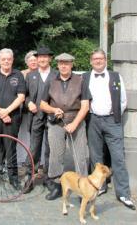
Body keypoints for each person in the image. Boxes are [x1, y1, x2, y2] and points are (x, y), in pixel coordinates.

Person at [84, 49, 135, 210]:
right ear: (91, 61)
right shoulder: (84, 77)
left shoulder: (115, 77)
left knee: (118, 157)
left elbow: (123, 100)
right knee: (95, 156)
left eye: (100, 58)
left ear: (106, 60)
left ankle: (123, 193)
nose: (98, 61)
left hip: (112, 121)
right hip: (93, 120)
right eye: (95, 59)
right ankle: (100, 186)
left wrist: (113, 115)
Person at [40, 53, 90, 201]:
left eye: (67, 63)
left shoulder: (80, 80)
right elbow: (42, 104)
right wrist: (53, 110)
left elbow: (85, 106)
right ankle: (57, 186)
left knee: (80, 156)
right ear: (57, 65)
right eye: (61, 63)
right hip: (56, 122)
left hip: (76, 121)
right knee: (56, 155)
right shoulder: (51, 81)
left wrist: (75, 124)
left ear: (72, 65)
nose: (63, 65)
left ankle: (83, 188)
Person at [0, 48, 26, 191]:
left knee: (10, 147)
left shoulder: (18, 75)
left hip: (12, 117)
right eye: (3, 59)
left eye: (9, 59)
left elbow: (21, 96)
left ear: (12, 60)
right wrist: (0, 112)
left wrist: (7, 111)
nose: (6, 61)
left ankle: (13, 178)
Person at [23, 47, 56, 193]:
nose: (42, 59)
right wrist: (28, 102)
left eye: (45, 57)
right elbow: (25, 94)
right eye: (39, 57)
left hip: (52, 118)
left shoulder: (56, 75)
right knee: (34, 148)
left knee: (50, 149)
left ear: (50, 58)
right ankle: (30, 177)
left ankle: (49, 178)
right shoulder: (31, 75)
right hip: (36, 117)